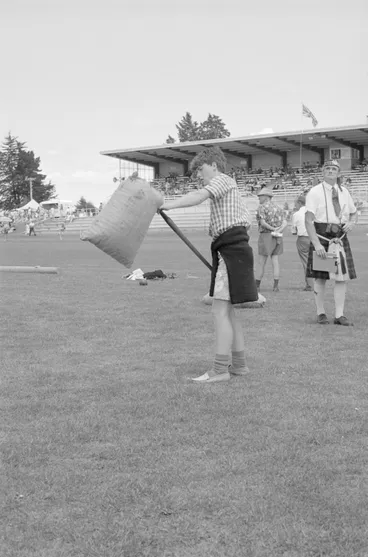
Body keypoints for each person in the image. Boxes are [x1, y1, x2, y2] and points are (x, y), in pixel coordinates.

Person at [159, 146, 257, 384]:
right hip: (232, 249)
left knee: (219, 310)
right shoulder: (228, 189)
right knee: (229, 311)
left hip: (231, 250)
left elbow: (198, 196)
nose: (200, 176)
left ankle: (220, 369)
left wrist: (168, 205)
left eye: (201, 170)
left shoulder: (223, 180)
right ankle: (240, 365)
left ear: (214, 165)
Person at [305, 159, 358, 326]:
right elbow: (308, 220)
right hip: (323, 237)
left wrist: (352, 222)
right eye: (327, 168)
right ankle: (321, 313)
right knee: (321, 278)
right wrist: (317, 244)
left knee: (341, 278)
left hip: (340, 239)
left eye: (334, 169)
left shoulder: (344, 192)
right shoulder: (314, 192)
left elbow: (354, 213)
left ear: (338, 173)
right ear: (322, 172)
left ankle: (339, 315)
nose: (330, 171)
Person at [255, 188, 287, 292]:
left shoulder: (261, 207)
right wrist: (278, 230)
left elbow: (263, 223)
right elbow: (284, 223)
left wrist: (272, 229)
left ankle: (257, 285)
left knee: (261, 262)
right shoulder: (278, 208)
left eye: (260, 196)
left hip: (266, 235)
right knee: (275, 261)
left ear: (266, 197)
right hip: (278, 235)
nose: (259, 198)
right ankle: (275, 286)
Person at [291, 195, 314, 291]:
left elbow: (293, 231)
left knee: (306, 262)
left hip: (303, 239)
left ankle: (309, 285)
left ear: (299, 203)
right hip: (314, 238)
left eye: (295, 203)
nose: (295, 205)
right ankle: (318, 283)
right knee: (316, 261)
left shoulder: (296, 215)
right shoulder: (312, 212)